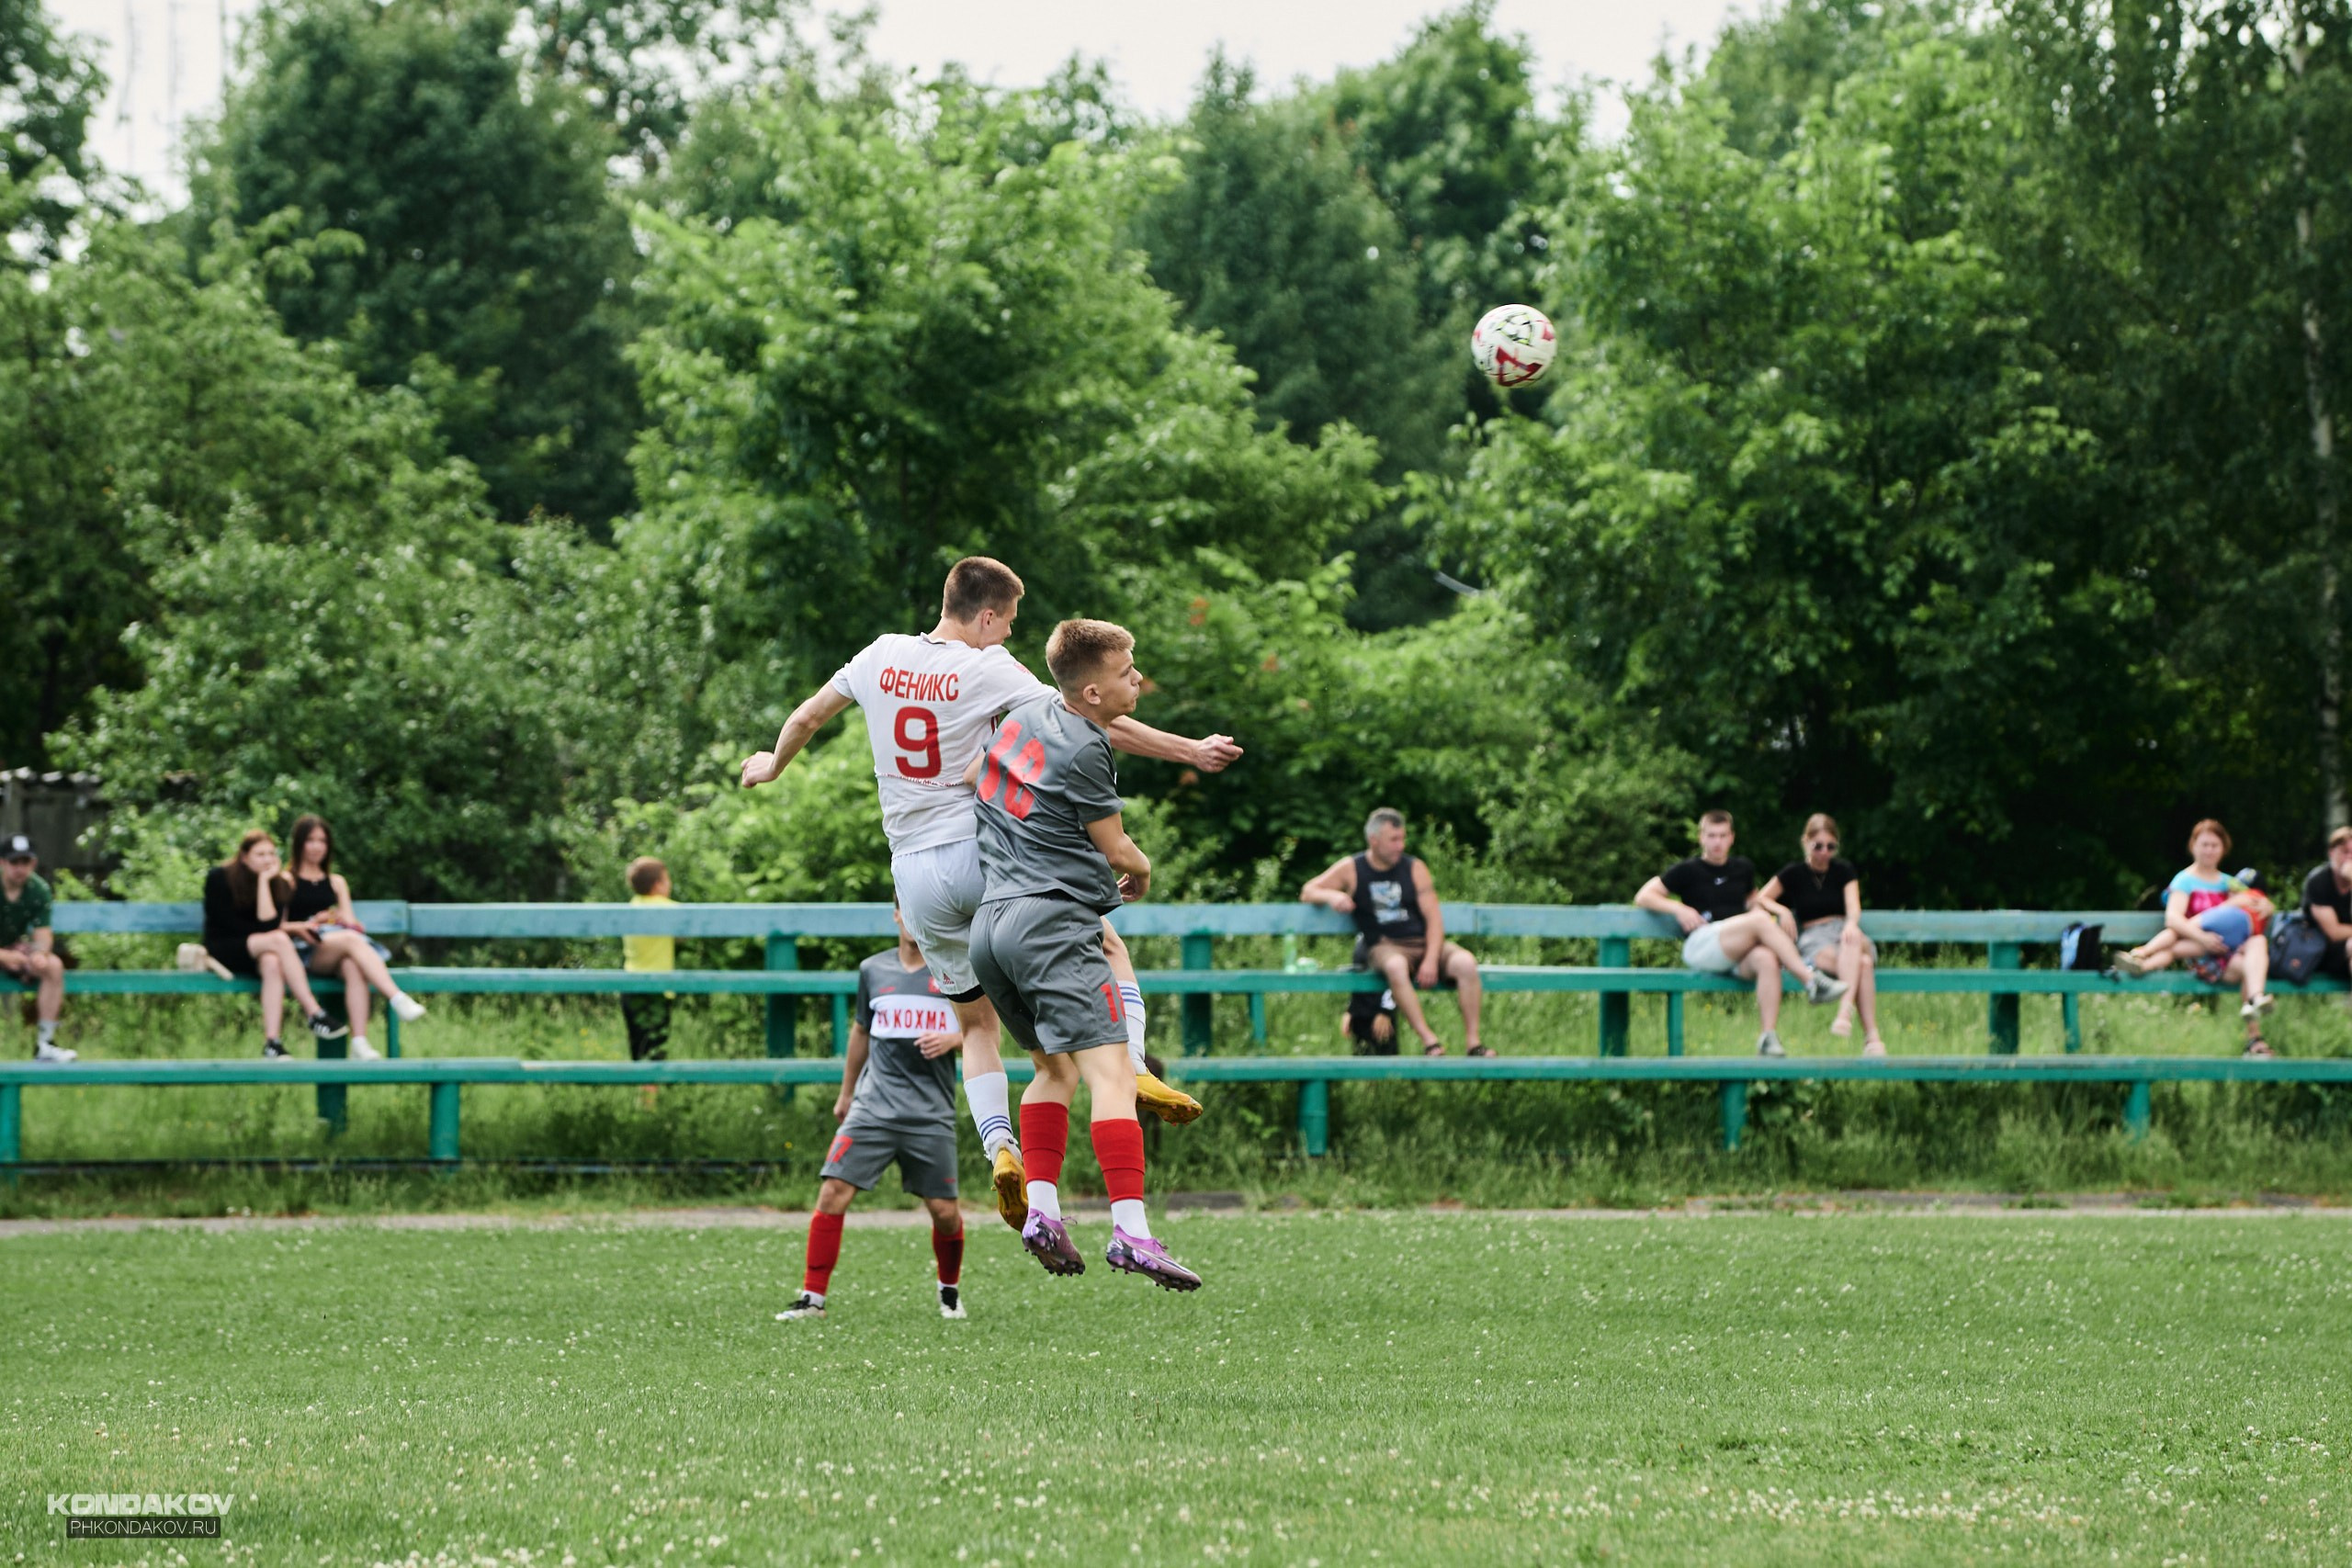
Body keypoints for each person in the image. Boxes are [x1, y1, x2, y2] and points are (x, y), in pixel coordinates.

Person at [740, 556, 1231, 1228]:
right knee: (1103, 938)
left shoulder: (882, 654)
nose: (1007, 638)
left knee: (975, 1024)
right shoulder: (986, 667)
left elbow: (809, 714)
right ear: (989, 614)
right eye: (1007, 625)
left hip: (914, 874)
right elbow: (1088, 720)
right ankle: (1133, 1065)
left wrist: (771, 764)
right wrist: (1188, 751)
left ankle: (1000, 1145)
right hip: (983, 854)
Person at [966, 617, 1202, 1289]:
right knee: (1114, 1075)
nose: (1138, 679)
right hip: (1050, 924)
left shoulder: (1029, 710)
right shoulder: (1086, 747)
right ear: (1093, 691)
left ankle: (1042, 1211)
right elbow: (1118, 848)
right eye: (1128, 671)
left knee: (1052, 1071)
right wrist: (1144, 867)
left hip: (992, 924)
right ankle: (1131, 1230)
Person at [778, 907, 969, 1322]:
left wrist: (954, 1039)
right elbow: (861, 1031)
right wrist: (846, 1094)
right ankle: (813, 1299)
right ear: (899, 915)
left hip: (929, 1111)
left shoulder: (956, 968)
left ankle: (949, 1292)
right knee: (832, 1193)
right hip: (873, 1106)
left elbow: (984, 1032)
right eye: (910, 910)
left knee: (945, 1212)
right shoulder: (873, 969)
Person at [1633, 810, 1847, 1057]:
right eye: (1711, 836)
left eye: (1723, 835)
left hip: (1737, 951)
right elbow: (1644, 896)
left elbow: (1754, 904)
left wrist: (1781, 911)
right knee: (1758, 922)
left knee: (1766, 958)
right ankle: (1810, 981)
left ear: (1732, 837)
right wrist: (1679, 909)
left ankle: (1768, 1037)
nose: (1717, 842)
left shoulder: (1742, 868)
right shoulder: (1687, 870)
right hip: (1702, 944)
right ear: (1701, 838)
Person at [1299, 810, 1487, 1055]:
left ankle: (1474, 1043)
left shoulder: (1415, 868)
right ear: (1374, 840)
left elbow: (1434, 919)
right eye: (1394, 840)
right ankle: (1430, 1041)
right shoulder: (1352, 868)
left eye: (1402, 839)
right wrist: (1332, 895)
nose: (1401, 846)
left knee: (1466, 962)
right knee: (1397, 966)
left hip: (1423, 943)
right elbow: (1308, 891)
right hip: (1386, 946)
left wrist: (1431, 959)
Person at [2114, 818, 2275, 1053]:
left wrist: (2268, 906)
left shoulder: (2228, 882)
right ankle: (2140, 959)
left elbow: (2252, 901)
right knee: (2176, 947)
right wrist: (2203, 939)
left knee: (2255, 953)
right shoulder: (2184, 880)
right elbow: (2174, 920)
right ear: (2193, 846)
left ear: (2223, 848)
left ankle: (2254, 1024)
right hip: (2197, 951)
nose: (2209, 850)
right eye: (2205, 844)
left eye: (2215, 845)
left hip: (2227, 951)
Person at [283, 815, 425, 1061]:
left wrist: (334, 918)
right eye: (311, 840)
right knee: (350, 941)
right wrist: (308, 924)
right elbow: (276, 926)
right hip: (301, 949)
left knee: (353, 965)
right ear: (299, 844)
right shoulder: (287, 880)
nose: (317, 846)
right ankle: (396, 997)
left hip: (333, 944)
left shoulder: (336, 882)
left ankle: (359, 1042)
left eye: (322, 841)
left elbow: (351, 925)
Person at [202, 829, 348, 1057]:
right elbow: (227, 925)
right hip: (225, 948)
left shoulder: (278, 883)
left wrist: (263, 883)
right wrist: (264, 936)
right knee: (278, 940)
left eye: (271, 854)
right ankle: (314, 1012)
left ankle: (272, 1043)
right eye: (260, 854)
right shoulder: (219, 878)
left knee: (272, 963)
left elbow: (269, 925)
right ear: (244, 856)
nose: (268, 860)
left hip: (261, 949)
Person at [1758, 814, 1885, 1056]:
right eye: (1818, 846)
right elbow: (1761, 898)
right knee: (1864, 964)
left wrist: (1850, 924)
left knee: (1853, 939)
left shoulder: (1844, 870)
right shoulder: (1793, 873)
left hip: (1844, 931)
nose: (1824, 852)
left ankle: (1844, 1012)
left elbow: (1853, 906)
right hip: (1815, 938)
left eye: (1831, 846)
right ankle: (1873, 1039)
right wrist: (1781, 910)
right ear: (1806, 842)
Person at [0, 833, 72, 1062]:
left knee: (53, 965)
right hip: (6, 952)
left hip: (13, 950)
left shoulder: (38, 889)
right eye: (14, 862)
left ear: (33, 863)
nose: (19, 869)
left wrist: (40, 954)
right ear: (2, 863)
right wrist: (5, 956)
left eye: (25, 862)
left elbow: (43, 935)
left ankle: (45, 1044)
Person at [620, 856, 677, 1061]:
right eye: (667, 880)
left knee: (638, 1047)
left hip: (630, 986)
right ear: (658, 885)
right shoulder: (668, 908)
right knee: (655, 1048)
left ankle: (643, 1091)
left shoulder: (632, 906)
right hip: (657, 989)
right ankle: (650, 1093)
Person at [2302, 825, 2352, 984]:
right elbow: (2334, 933)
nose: (2350, 858)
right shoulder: (2318, 881)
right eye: (2345, 852)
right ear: (2332, 853)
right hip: (2318, 951)